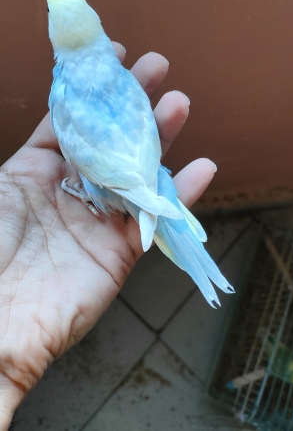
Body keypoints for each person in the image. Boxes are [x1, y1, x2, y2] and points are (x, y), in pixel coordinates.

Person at [0, 46, 216, 431]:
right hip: (139, 178)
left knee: (161, 216)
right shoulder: (106, 89)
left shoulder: (72, 94)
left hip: (129, 185)